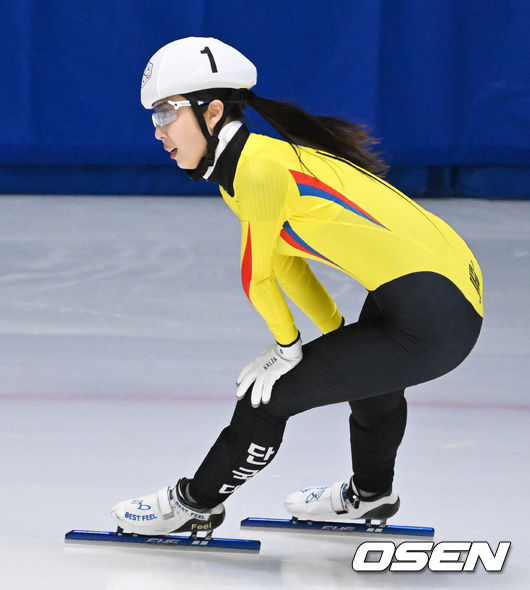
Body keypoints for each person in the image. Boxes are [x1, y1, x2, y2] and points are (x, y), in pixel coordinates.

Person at [111, 37, 483, 536]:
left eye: (165, 113)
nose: (158, 131)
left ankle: (194, 504)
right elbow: (287, 267)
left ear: (213, 110)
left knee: (266, 398)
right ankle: (371, 496)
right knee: (374, 381)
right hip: (434, 293)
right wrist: (331, 334)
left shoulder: (258, 170)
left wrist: (288, 349)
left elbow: (256, 277)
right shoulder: (251, 163)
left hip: (433, 312)